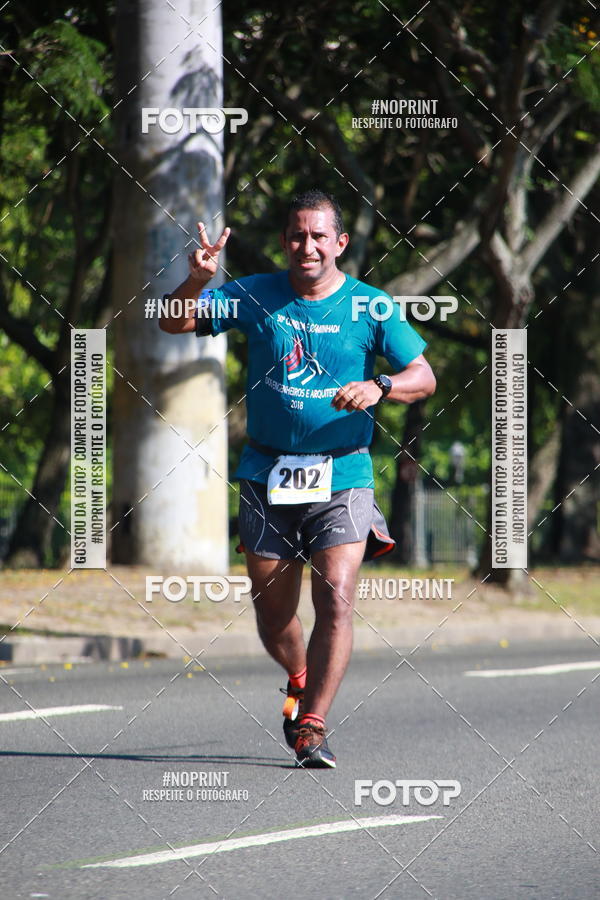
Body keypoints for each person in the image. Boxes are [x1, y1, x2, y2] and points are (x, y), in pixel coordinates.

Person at [160, 190, 436, 768]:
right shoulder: (255, 294)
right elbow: (174, 321)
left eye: (318, 236)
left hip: (344, 475)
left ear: (339, 243)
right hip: (267, 474)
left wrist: (379, 387)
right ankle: (299, 673)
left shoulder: (371, 307)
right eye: (296, 235)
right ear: (286, 241)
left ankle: (313, 723)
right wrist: (195, 280)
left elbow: (423, 375)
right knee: (272, 611)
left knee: (335, 597)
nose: (306, 246)